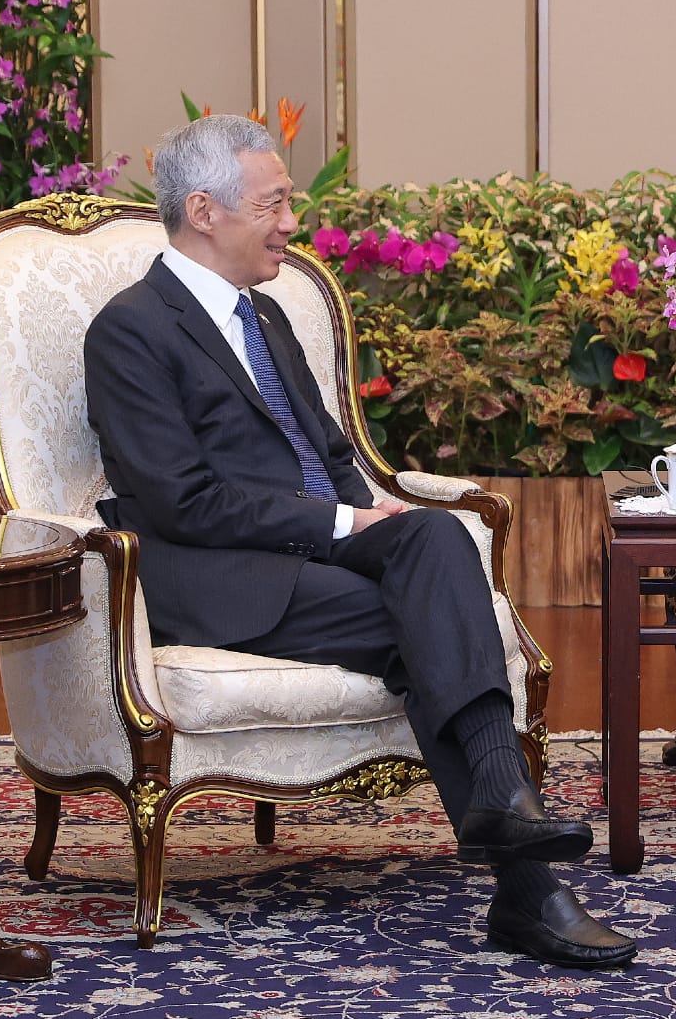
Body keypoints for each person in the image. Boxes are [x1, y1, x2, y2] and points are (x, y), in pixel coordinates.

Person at [84, 114, 635, 970]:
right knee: (435, 622)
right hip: (221, 576)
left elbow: (331, 455)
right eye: (273, 204)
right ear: (204, 209)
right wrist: (344, 525)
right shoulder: (130, 330)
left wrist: (362, 524)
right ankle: (528, 885)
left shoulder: (265, 316)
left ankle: (503, 811)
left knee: (436, 542)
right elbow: (180, 499)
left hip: (317, 553)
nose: (292, 222)